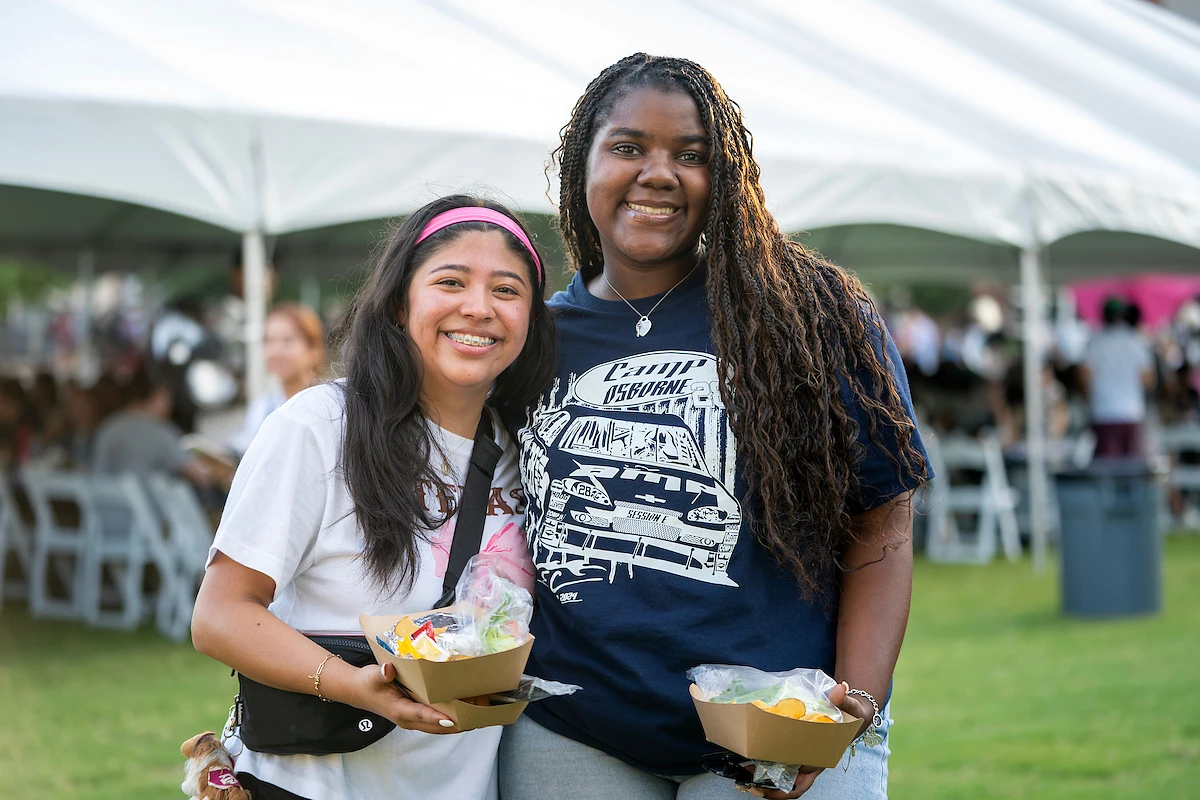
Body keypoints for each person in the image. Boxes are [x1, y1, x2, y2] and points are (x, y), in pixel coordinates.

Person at [499, 54, 930, 800]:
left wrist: (850, 703)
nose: (658, 172)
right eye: (628, 147)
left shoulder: (810, 317)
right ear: (582, 165)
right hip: (577, 728)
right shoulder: (532, 336)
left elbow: (883, 523)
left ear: (725, 175)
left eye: (691, 155)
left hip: (778, 716)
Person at [190, 195, 556, 800]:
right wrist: (350, 684)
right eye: (451, 281)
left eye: (508, 290)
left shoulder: (528, 453)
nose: (478, 307)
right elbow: (221, 615)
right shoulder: (318, 427)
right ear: (397, 302)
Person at [229, 303, 326, 454]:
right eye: (269, 341)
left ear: (313, 349)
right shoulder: (261, 408)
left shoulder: (328, 408)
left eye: (288, 340)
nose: (276, 351)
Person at [90, 367, 211, 485]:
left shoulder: (107, 427)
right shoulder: (161, 431)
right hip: (151, 504)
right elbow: (200, 475)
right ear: (158, 394)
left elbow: (97, 474)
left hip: (112, 502)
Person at [1081, 297, 1154, 458]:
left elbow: (1085, 377)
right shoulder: (1137, 341)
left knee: (1107, 468)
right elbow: (1148, 380)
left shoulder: (1095, 342)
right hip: (1131, 411)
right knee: (1130, 468)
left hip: (1103, 411)